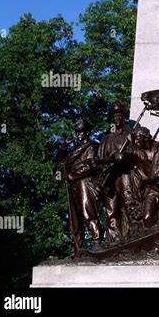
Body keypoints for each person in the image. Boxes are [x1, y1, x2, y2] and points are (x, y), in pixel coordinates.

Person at [57, 119, 102, 253]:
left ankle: (97, 241)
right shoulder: (74, 150)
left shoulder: (92, 146)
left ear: (87, 132)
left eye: (81, 131)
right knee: (74, 218)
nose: (78, 134)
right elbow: (59, 160)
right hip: (73, 185)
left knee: (89, 213)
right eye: (77, 132)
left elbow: (90, 165)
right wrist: (64, 146)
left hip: (85, 183)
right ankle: (78, 247)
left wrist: (71, 175)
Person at [96, 104, 133, 243]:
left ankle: (132, 237)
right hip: (110, 178)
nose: (117, 119)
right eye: (114, 116)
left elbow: (137, 154)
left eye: (120, 116)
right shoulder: (106, 139)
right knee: (111, 210)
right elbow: (98, 160)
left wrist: (125, 157)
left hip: (125, 175)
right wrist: (111, 158)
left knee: (130, 206)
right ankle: (114, 240)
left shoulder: (130, 135)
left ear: (124, 118)